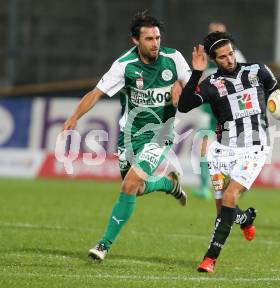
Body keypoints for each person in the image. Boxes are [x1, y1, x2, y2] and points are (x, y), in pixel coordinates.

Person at [62, 10, 190, 260]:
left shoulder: (173, 58)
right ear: (135, 41)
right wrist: (75, 116)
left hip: (161, 132)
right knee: (136, 188)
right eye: (149, 39)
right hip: (130, 135)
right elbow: (96, 93)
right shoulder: (125, 65)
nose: (155, 44)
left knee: (129, 184)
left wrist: (183, 87)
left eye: (157, 38)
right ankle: (168, 184)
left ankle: (103, 245)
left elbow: (196, 84)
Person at [178, 31, 280, 273]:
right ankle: (244, 218)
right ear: (214, 60)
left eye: (231, 53)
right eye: (223, 57)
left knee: (229, 198)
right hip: (221, 151)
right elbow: (184, 106)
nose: (230, 59)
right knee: (222, 211)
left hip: (254, 148)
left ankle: (210, 259)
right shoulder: (212, 84)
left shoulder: (259, 71)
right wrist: (196, 73)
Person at [195, 21, 247, 200]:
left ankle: (236, 181)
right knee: (205, 143)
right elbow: (198, 79)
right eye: (213, 33)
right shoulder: (205, 56)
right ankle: (203, 185)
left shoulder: (235, 55)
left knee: (233, 145)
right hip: (209, 108)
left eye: (220, 33)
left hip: (229, 108)